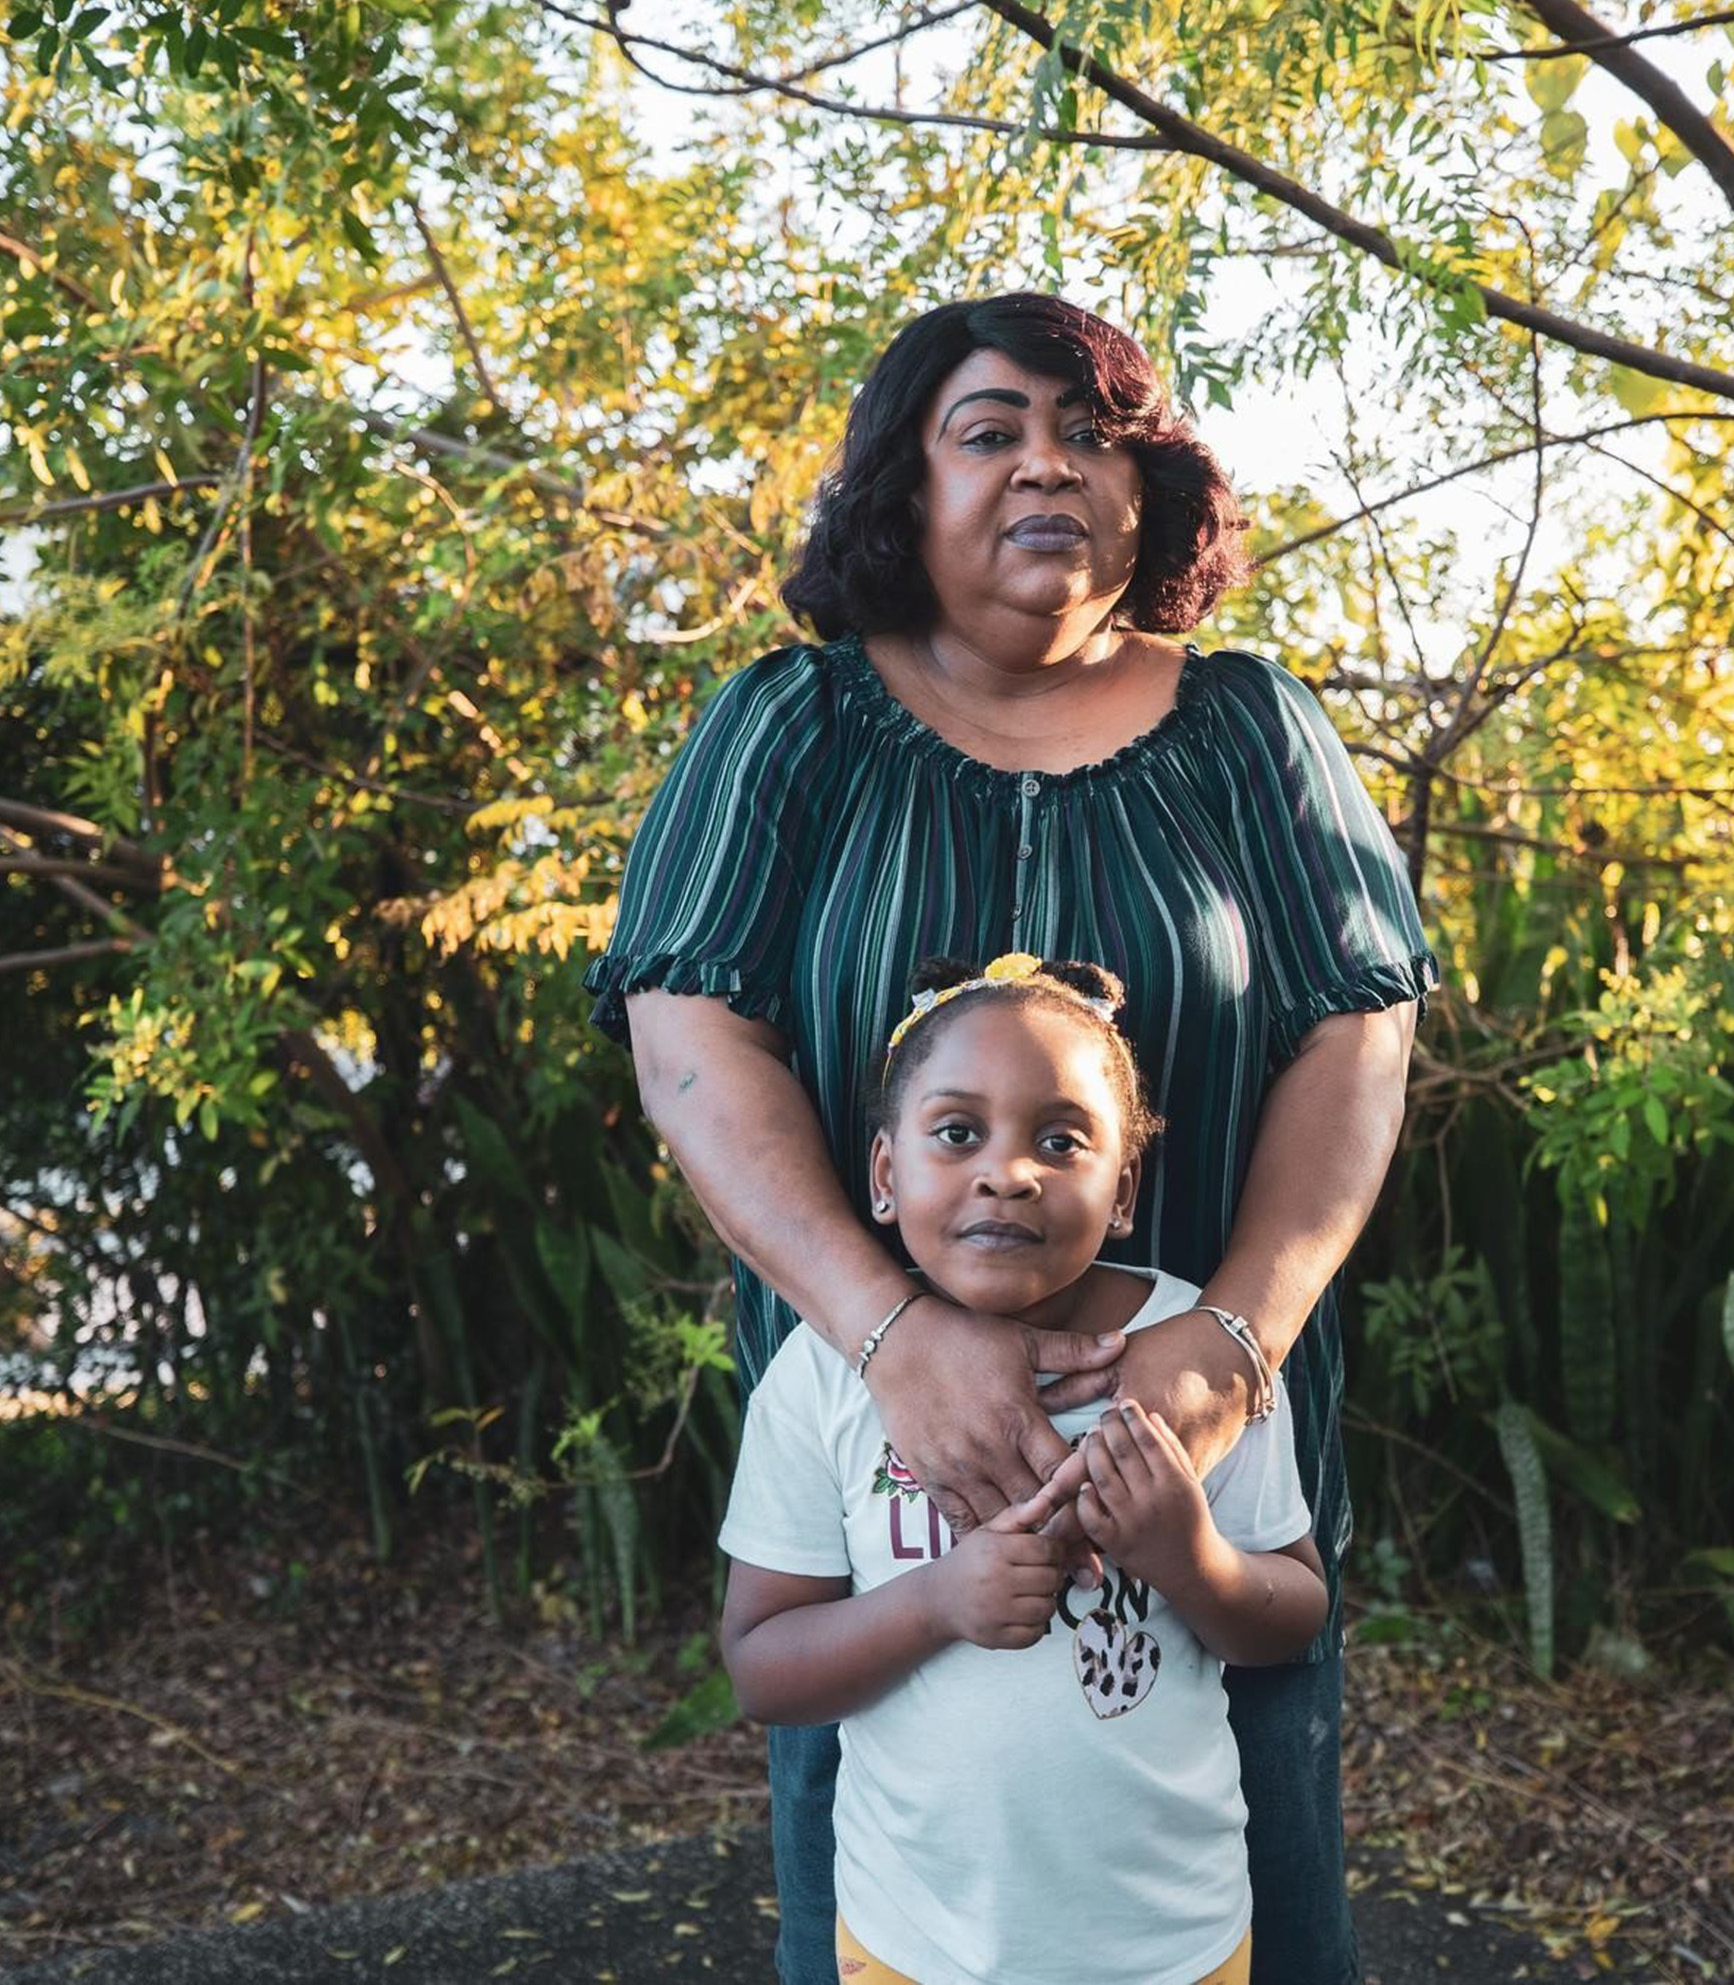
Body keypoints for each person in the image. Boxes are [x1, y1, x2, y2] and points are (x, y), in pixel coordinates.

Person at [585, 291, 1434, 1985]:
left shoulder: (1253, 728)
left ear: (1149, 493)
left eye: (1089, 432)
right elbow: (688, 1038)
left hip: (1192, 1469)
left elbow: (1359, 1035)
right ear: (907, 488)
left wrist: (1227, 1345)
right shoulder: (787, 724)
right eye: (990, 431)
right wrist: (888, 1335)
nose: (1045, 463)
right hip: (879, 1490)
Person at [720, 953, 1326, 1985]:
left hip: (1171, 1944)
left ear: (1122, 1186)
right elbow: (762, 1666)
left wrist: (1191, 1560)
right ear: (883, 1172)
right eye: (957, 1131)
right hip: (917, 1944)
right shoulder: (825, 1373)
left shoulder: (1195, 1360)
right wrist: (935, 1603)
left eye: (1060, 1138)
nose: (1009, 1171)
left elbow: (1295, 1612)